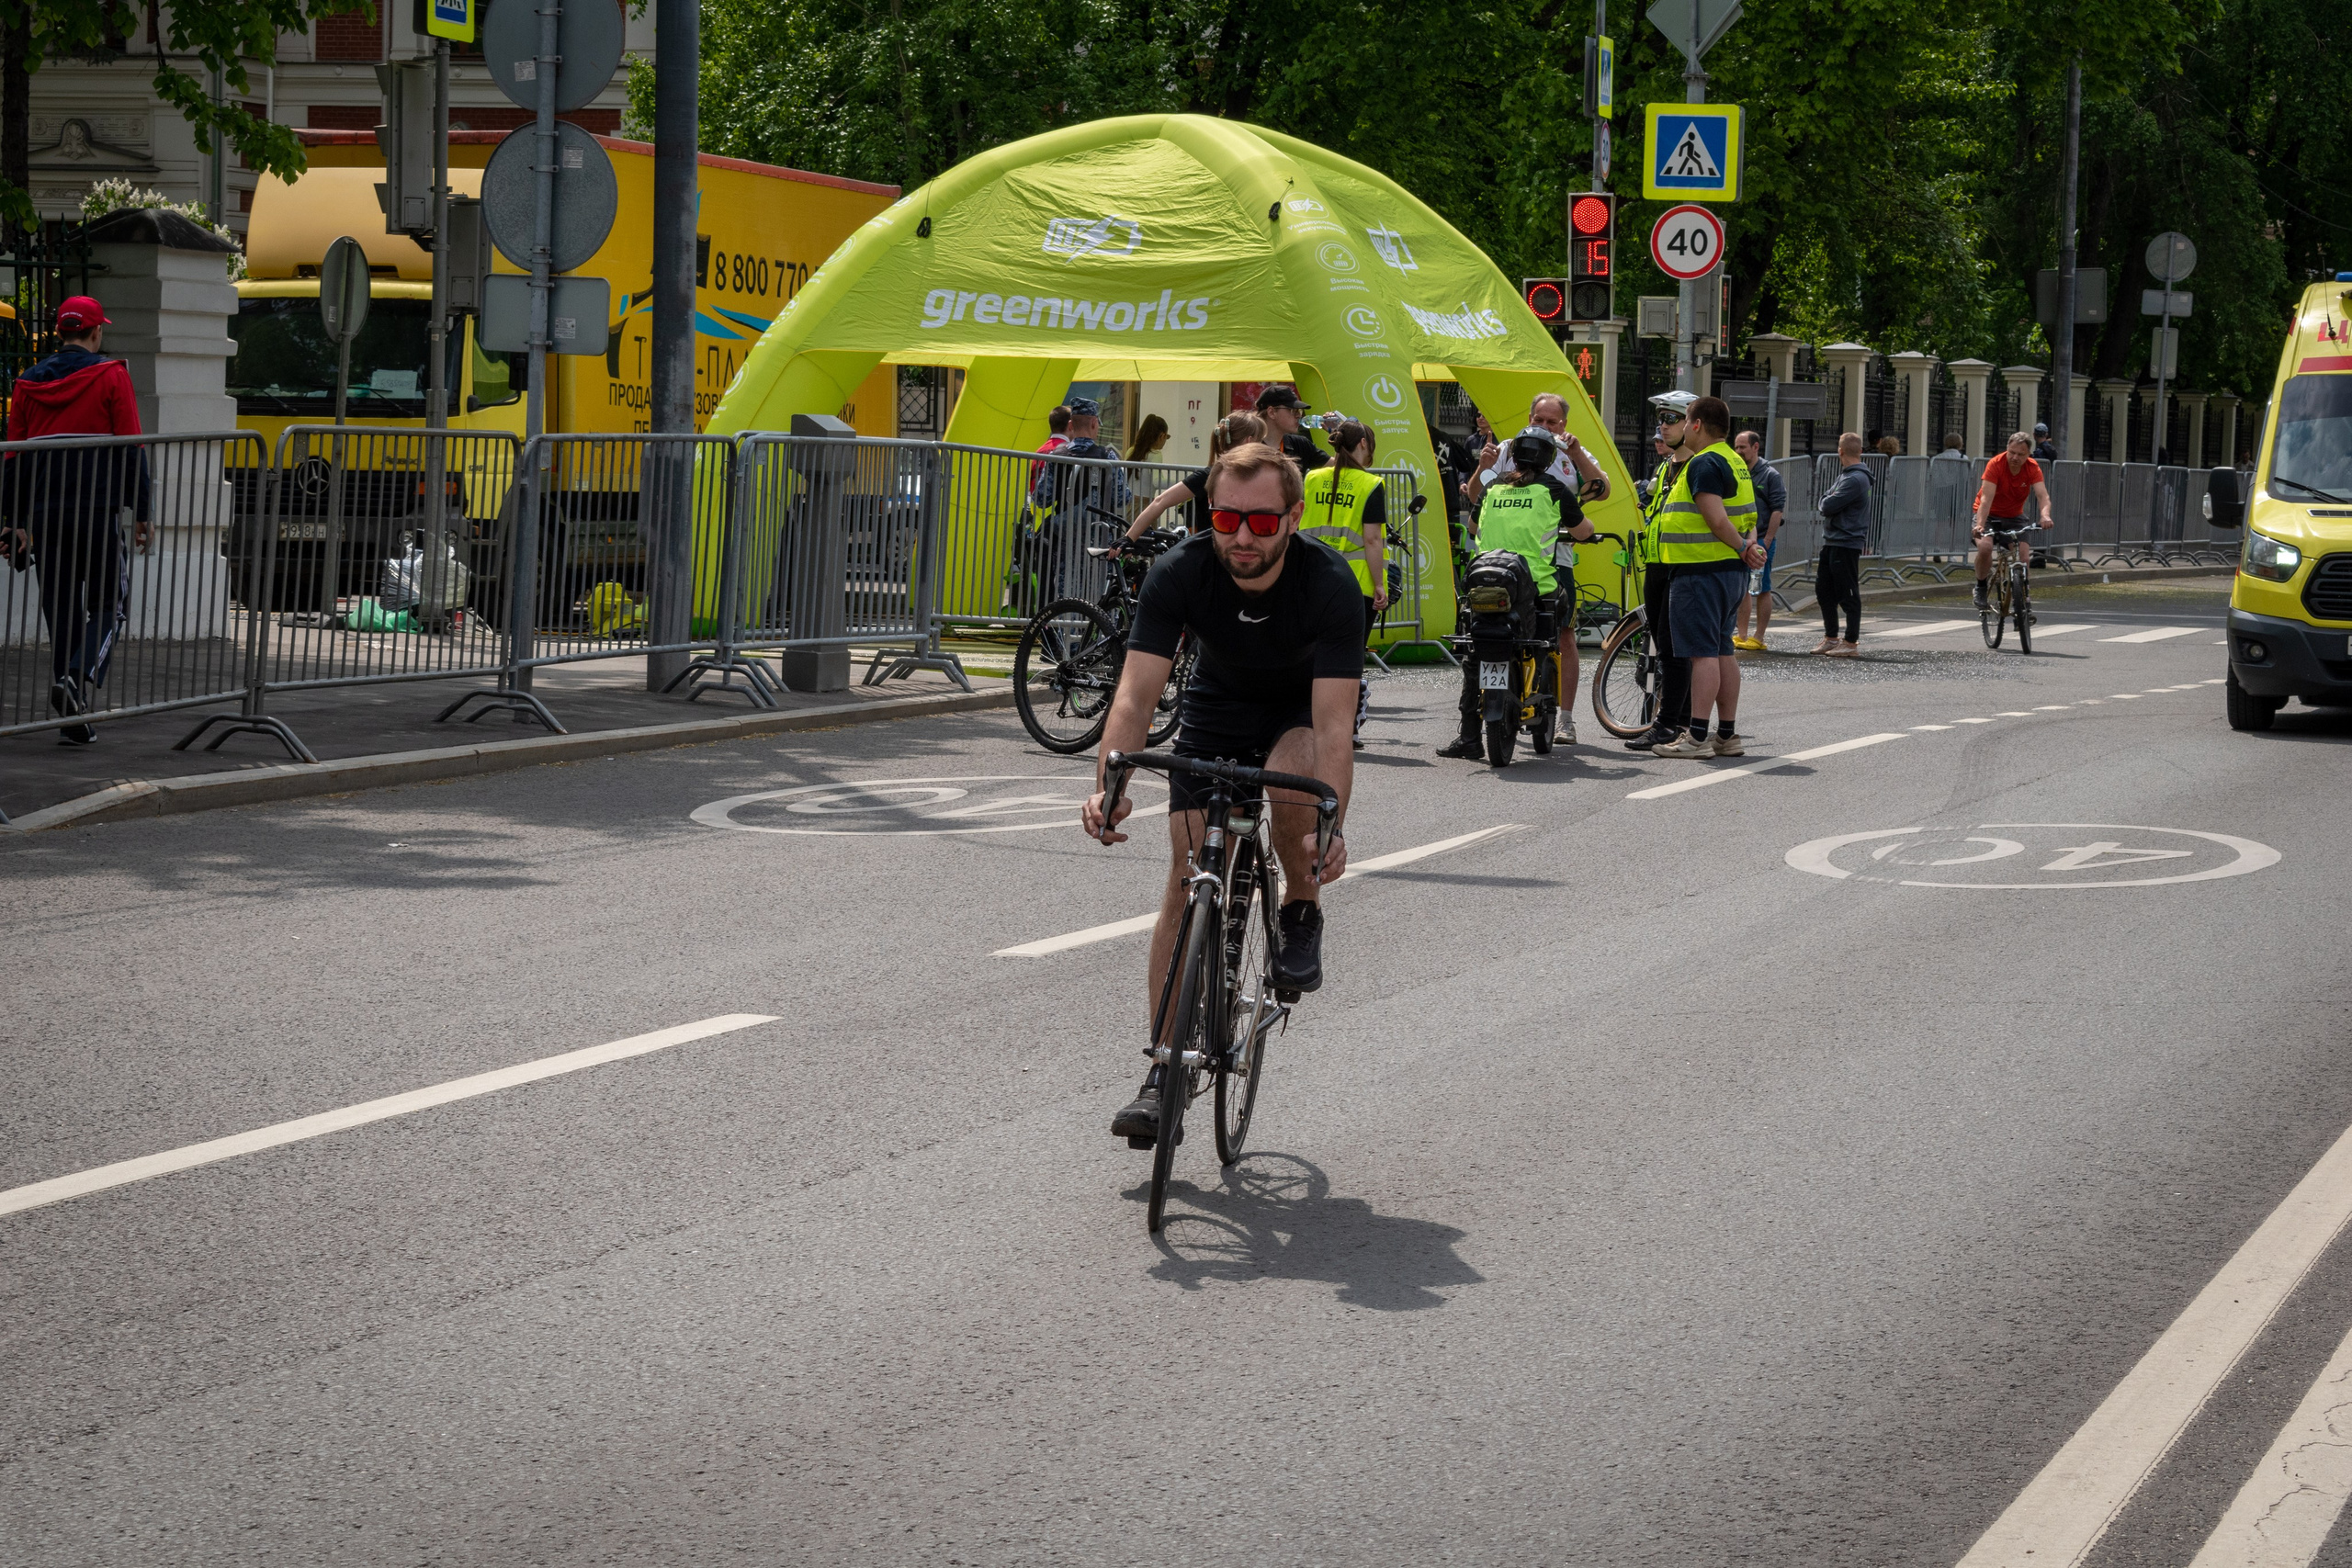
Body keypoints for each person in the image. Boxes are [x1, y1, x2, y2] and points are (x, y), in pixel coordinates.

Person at [1082, 442, 1360, 1146]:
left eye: (1262, 523)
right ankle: (1161, 1074)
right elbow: (1135, 695)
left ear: (1294, 518)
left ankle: (1300, 906)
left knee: (1297, 777)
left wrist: (1329, 827)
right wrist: (1110, 785)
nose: (1242, 536)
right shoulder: (1181, 571)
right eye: (1227, 519)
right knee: (1185, 878)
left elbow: (1332, 729)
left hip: (1296, 709)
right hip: (1216, 706)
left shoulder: (1329, 583)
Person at [5, 294, 149, 745]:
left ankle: (74, 716)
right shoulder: (111, 375)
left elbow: (16, 459)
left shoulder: (27, 384)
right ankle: (79, 676)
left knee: (63, 609)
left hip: (46, 514)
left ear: (59, 333)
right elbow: (131, 444)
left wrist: (12, 520)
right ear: (96, 332)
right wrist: (141, 511)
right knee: (111, 604)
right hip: (97, 509)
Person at [1437, 430, 1596, 758]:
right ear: (1549, 459)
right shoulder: (1553, 489)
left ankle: (1469, 736)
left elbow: (1473, 527)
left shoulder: (1493, 487)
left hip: (1485, 583)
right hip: (1535, 588)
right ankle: (1538, 686)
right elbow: (1583, 532)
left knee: (1473, 656)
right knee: (1552, 625)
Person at [1647, 395, 1764, 759]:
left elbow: (1716, 519)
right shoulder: (1736, 461)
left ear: (1695, 424)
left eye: (1683, 422)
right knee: (1722, 650)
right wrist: (1747, 548)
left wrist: (1741, 548)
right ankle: (1726, 735)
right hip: (1729, 573)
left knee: (1702, 655)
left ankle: (1696, 737)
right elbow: (1746, 515)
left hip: (1700, 570)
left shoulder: (1704, 462)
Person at [1297, 420, 1391, 750]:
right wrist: (1380, 585)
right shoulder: (1370, 483)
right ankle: (1344, 728)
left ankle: (1302, 722)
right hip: (1355, 584)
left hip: (1307, 577)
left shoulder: (1311, 477)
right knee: (1348, 659)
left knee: (1308, 652)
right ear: (1364, 443)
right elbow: (1372, 539)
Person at [1625, 390, 1698, 753]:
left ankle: (1669, 724)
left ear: (1690, 423)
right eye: (1661, 420)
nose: (1663, 427)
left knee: (1674, 649)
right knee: (1665, 644)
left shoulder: (1696, 465)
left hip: (1682, 564)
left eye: (1671, 420)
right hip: (1656, 562)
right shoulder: (1665, 466)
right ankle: (1677, 722)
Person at [1031, 395, 1129, 597]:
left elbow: (1041, 499)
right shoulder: (1107, 457)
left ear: (1071, 424)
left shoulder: (1056, 456)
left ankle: (1067, 628)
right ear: (1094, 423)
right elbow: (1121, 498)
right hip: (1099, 539)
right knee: (1098, 595)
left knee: (1066, 594)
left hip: (1065, 539)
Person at [1125, 412, 1265, 538]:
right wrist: (1128, 538)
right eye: (1261, 442)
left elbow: (1160, 501)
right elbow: (1160, 500)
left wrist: (1128, 538)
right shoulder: (1258, 477)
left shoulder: (1209, 474)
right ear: (1250, 441)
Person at [1465, 391, 1610, 510]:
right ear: (1530, 419)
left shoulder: (1573, 453)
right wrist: (1483, 468)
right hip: (1507, 543)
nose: (1544, 427)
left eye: (1551, 422)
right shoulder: (1507, 449)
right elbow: (1474, 497)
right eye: (1538, 420)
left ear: (1563, 424)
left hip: (1555, 544)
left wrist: (1577, 455)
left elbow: (1603, 493)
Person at [1971, 430, 2052, 608]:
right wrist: (1980, 525)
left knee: (2024, 558)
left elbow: (2042, 495)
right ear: (2007, 448)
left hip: (2015, 516)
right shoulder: (1996, 464)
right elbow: (1986, 499)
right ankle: (1981, 586)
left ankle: (2023, 598)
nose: (2015, 457)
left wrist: (2045, 515)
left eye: (2020, 454)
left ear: (2028, 454)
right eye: (2012, 452)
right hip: (1988, 514)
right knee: (1985, 548)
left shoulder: (2032, 467)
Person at [1814, 433, 1872, 657]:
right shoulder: (1848, 476)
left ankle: (1850, 642)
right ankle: (1831, 637)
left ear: (1840, 451)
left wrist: (1826, 499)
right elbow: (1828, 500)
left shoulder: (1854, 479)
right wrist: (1827, 499)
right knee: (1824, 590)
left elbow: (1827, 504)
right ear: (1860, 451)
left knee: (1847, 592)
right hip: (1834, 540)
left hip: (1846, 542)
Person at [1730, 428, 1786, 651]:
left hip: (1761, 540)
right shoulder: (1736, 471)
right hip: (1742, 540)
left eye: (1742, 447)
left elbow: (1777, 509)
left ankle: (1759, 637)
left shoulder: (1771, 475)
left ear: (1756, 447)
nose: (1738, 451)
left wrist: (1767, 541)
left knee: (1762, 588)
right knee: (1743, 588)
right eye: (1736, 447)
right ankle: (1742, 635)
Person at [1254, 385, 1329, 477]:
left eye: (1299, 411)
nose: (1298, 415)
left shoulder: (1300, 444)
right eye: (1293, 410)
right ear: (1271, 412)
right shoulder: (1248, 445)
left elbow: (1341, 465)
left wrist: (1338, 435)